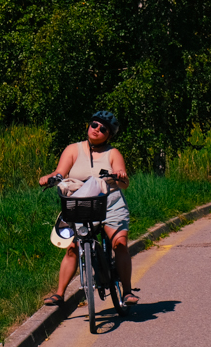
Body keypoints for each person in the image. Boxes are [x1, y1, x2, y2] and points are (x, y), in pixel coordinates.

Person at [38, 110, 139, 307]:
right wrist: (49, 178)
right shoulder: (73, 150)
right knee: (73, 247)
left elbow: (123, 179)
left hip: (109, 202)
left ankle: (127, 292)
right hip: (80, 203)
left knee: (120, 243)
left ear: (108, 135)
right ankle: (59, 294)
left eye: (103, 129)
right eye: (95, 125)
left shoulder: (113, 153)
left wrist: (120, 174)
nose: (97, 130)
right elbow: (60, 172)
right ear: (89, 125)